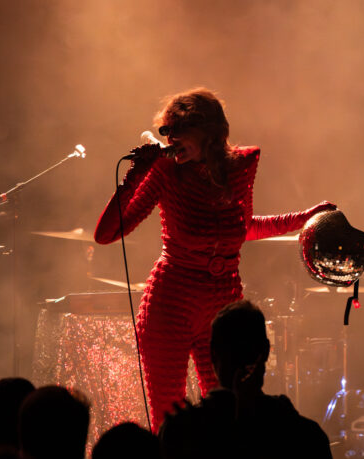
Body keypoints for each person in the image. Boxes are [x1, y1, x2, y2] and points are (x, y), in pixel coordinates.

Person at [95, 87, 334, 430]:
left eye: (179, 130)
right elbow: (106, 235)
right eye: (167, 131)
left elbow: (243, 228)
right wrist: (135, 176)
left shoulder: (240, 167)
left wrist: (305, 218)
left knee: (230, 416)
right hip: (171, 302)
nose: (172, 139)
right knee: (170, 420)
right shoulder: (165, 172)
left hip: (222, 304)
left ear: (209, 132)